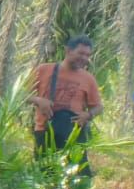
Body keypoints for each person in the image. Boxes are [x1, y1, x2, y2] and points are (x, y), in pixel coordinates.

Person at [30, 36, 103, 164]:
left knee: (76, 179)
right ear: (68, 51)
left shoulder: (88, 79)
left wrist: (88, 115)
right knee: (45, 177)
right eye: (80, 53)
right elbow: (21, 95)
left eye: (87, 55)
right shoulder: (43, 70)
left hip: (73, 136)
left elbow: (98, 107)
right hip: (44, 132)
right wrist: (38, 100)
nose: (84, 58)